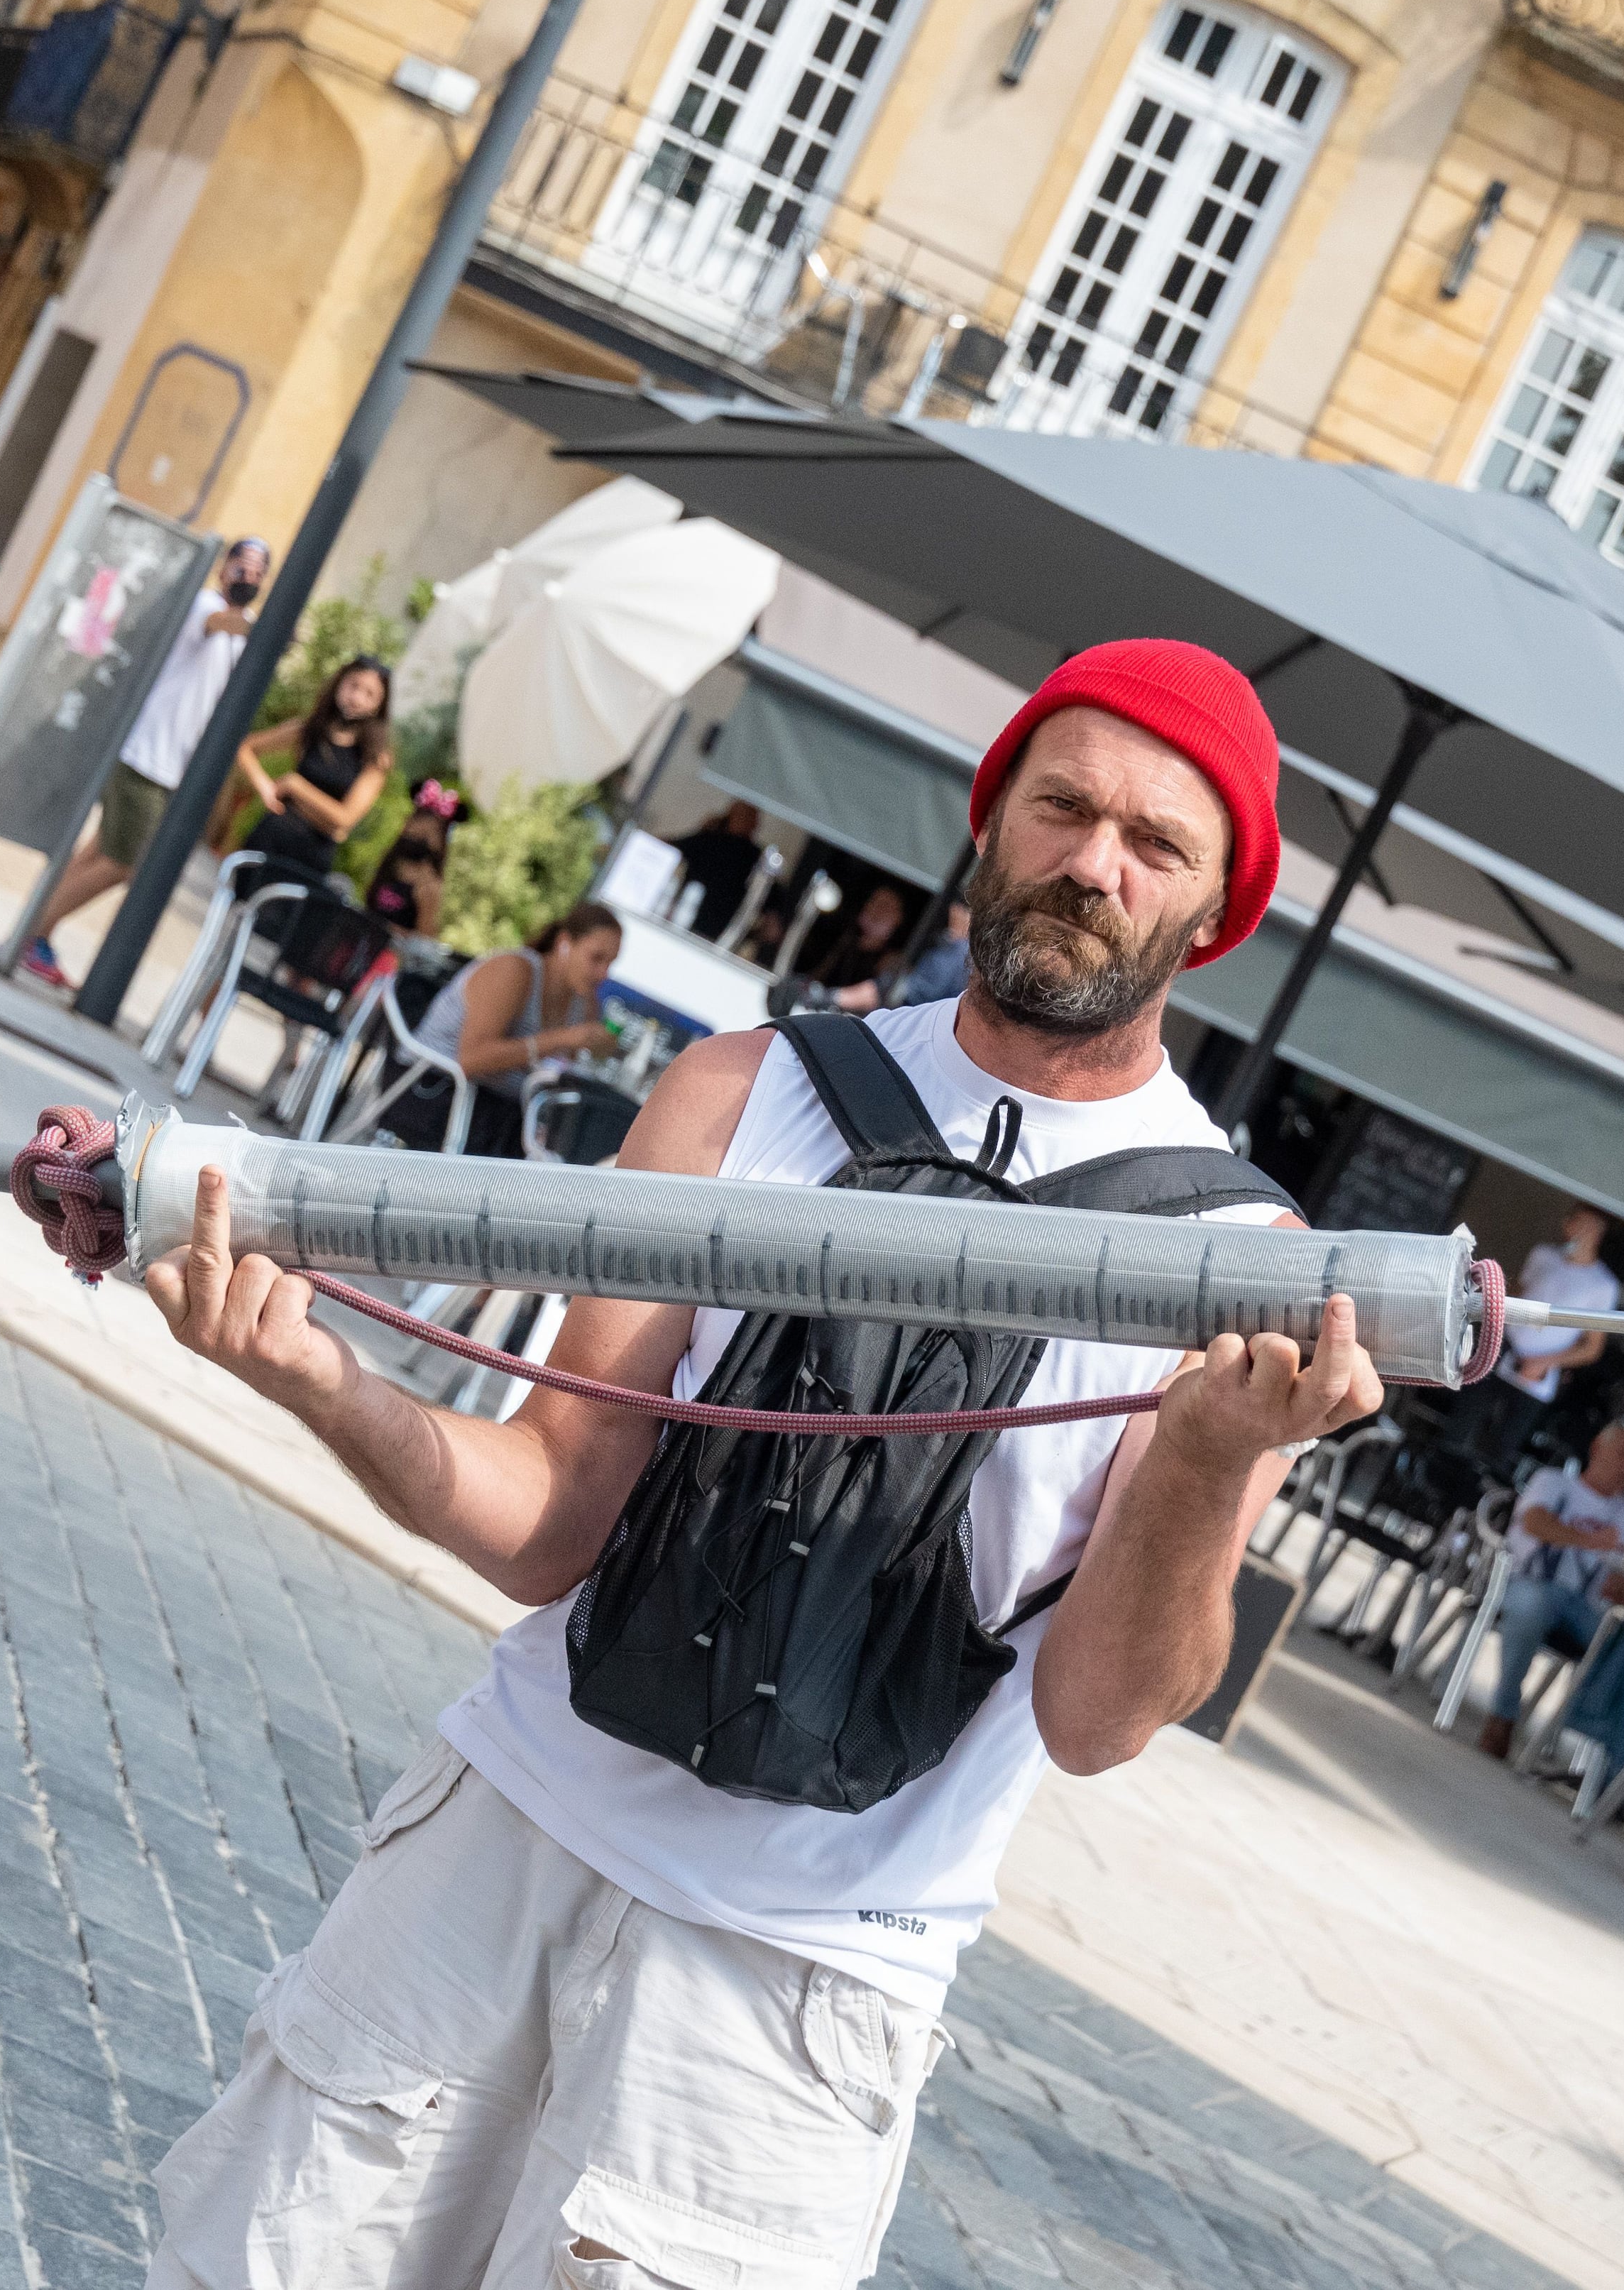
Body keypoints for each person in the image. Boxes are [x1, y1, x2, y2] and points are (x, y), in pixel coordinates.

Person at [140, 636, 1376, 2286]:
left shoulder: (1242, 1260)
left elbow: (1097, 1719)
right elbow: (550, 1515)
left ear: (1213, 913)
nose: (1095, 864)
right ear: (990, 814)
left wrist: (1212, 1460)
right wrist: (318, 1377)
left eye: (1155, 845)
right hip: (501, 1842)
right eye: (1064, 807)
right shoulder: (746, 1093)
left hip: (801, 1990)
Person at [18, 537, 270, 984]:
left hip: (173, 768)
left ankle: (36, 931)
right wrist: (268, 629)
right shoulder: (205, 606)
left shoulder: (245, 627)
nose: (247, 577)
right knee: (124, 863)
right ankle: (30, 935)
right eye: (241, 566)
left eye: (257, 571)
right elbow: (217, 623)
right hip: (147, 756)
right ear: (222, 567)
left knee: (101, 850)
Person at [1475, 1415, 1624, 1760]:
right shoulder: (1553, 1482)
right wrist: (1591, 1541)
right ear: (1597, 1449)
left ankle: (1602, 1755)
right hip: (1527, 1583)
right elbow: (1535, 1522)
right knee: (1532, 1607)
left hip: (1585, 1608)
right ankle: (1504, 1713)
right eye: (1623, 1456)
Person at [393, 904, 627, 1157]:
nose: (604, 974)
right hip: (433, 1090)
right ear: (565, 942)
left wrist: (598, 1051)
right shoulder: (514, 970)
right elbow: (471, 1059)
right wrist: (564, 1039)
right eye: (596, 958)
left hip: (498, 1112)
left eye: (610, 963)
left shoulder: (584, 1004)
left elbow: (562, 1074)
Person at [1454, 1207, 1619, 1464]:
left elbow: (1592, 1347)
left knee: (1500, 1449)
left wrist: (1545, 1362)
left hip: (1538, 1374)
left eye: (1584, 1226)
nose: (1574, 1229)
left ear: (1597, 1233)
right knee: (1462, 1423)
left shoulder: (1603, 1284)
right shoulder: (1543, 1255)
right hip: (1503, 1349)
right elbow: (1517, 1295)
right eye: (1573, 1222)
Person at [231, 653, 393, 877]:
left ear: (379, 704)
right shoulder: (309, 730)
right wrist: (264, 786)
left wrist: (295, 786)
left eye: (370, 694)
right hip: (269, 839)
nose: (357, 698)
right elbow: (246, 748)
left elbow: (344, 818)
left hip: (309, 859)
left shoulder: (374, 758)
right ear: (340, 682)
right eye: (353, 686)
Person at [833, 897, 971, 1012]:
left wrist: (832, 997)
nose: (953, 910)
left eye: (886, 907)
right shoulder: (948, 946)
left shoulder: (958, 953)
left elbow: (908, 993)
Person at [363, 782, 461, 938]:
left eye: (430, 833)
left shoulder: (429, 887)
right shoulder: (390, 866)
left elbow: (424, 942)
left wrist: (384, 929)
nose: (417, 833)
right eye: (417, 822)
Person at [665, 802, 762, 940]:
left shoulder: (754, 857)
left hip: (717, 927)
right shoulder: (708, 840)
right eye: (743, 817)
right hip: (689, 915)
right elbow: (671, 846)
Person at [807, 880, 910, 992]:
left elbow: (876, 994)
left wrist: (833, 997)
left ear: (898, 919)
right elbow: (817, 977)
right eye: (874, 901)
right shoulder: (845, 940)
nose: (877, 910)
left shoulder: (893, 960)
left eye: (885, 907)